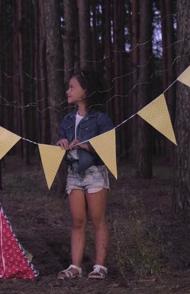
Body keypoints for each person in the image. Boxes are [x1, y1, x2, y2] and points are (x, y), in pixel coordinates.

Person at [56, 69, 114, 280]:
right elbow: (61, 138)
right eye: (68, 87)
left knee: (97, 220)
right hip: (74, 173)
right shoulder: (68, 120)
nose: (68, 91)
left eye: (72, 87)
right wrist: (61, 143)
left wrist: (86, 146)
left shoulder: (101, 119)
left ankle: (100, 266)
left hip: (95, 172)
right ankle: (75, 267)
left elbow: (107, 146)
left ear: (85, 92)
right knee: (77, 221)